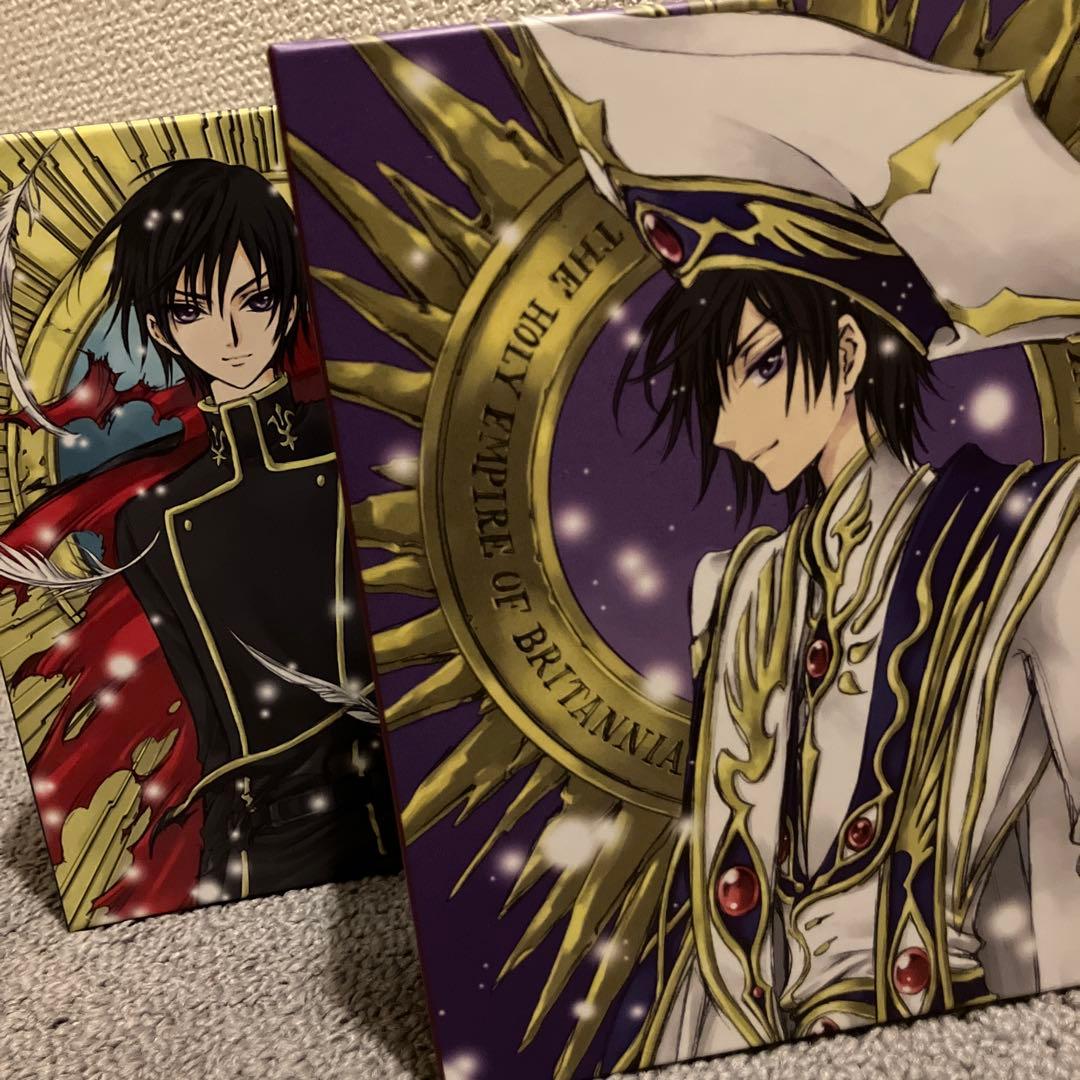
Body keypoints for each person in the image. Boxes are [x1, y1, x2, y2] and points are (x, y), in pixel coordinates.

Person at [528, 10, 1080, 1066]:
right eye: (718, 385)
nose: (730, 426)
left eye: (760, 366)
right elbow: (724, 929)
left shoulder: (1035, 536)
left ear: (847, 349)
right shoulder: (738, 592)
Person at [74, 160, 400, 901]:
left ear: (290, 302)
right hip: (270, 840)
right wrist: (220, 868)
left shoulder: (355, 447)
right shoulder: (152, 519)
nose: (229, 335)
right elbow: (211, 724)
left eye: (255, 299)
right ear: (160, 327)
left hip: (409, 794)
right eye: (194, 310)